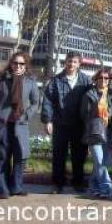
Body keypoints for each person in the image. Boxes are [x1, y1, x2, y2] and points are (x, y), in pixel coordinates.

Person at [0, 52, 39, 199]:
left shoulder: (31, 82)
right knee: (3, 156)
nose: (18, 66)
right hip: (2, 125)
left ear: (25, 66)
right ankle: (2, 189)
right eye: (15, 63)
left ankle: (16, 187)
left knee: (20, 156)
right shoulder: (1, 79)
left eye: (21, 64)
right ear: (11, 64)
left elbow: (36, 103)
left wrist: (26, 115)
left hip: (21, 125)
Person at [41, 51, 91, 194]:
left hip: (79, 124)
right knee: (59, 155)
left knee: (79, 155)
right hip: (60, 124)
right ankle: (58, 184)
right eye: (69, 61)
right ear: (65, 62)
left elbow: (92, 99)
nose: (71, 64)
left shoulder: (86, 80)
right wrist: (48, 120)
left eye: (75, 61)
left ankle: (78, 182)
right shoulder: (56, 80)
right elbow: (48, 100)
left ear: (79, 64)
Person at [80, 69, 112, 198]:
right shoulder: (89, 95)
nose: (104, 80)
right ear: (96, 79)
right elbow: (83, 114)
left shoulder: (111, 95)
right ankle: (106, 187)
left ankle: (94, 186)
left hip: (107, 131)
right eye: (101, 78)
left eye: (106, 78)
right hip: (93, 131)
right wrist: (97, 113)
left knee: (100, 162)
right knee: (99, 161)